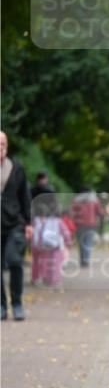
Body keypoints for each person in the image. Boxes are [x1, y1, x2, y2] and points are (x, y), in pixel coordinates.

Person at [1, 131, 33, 321]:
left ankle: (17, 303)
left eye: (3, 144)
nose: (1, 147)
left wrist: (28, 223)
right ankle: (1, 306)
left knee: (14, 261)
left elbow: (25, 196)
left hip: (14, 223)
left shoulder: (16, 167)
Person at [30, 194, 71, 286]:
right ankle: (52, 279)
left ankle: (35, 278)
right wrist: (68, 241)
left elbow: (32, 232)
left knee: (37, 263)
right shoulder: (58, 222)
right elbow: (65, 232)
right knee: (54, 263)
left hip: (37, 245)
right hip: (53, 245)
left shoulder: (36, 221)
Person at [70, 186, 102, 267]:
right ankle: (86, 261)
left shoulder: (75, 200)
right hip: (91, 224)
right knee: (88, 243)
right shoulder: (94, 200)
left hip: (79, 224)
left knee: (81, 243)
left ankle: (82, 261)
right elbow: (99, 211)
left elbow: (72, 213)